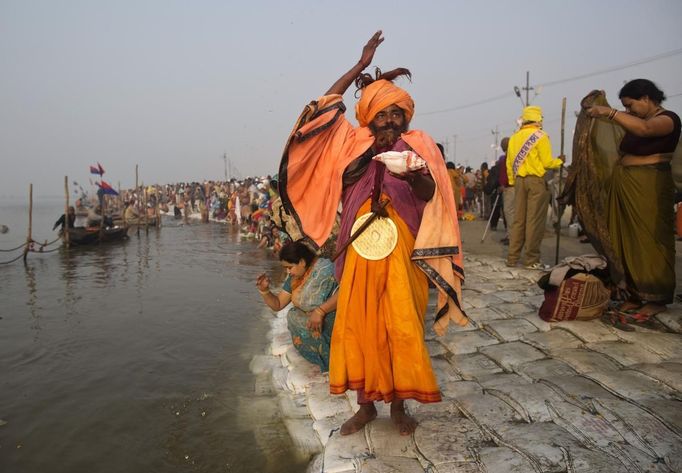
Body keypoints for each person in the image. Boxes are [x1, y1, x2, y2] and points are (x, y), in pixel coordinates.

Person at [278, 31, 467, 436]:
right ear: (368, 117)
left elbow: (430, 194)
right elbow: (322, 108)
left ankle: (399, 407)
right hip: (359, 251)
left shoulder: (420, 146)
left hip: (404, 252)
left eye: (397, 114)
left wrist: (415, 174)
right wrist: (360, 66)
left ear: (406, 117)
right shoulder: (350, 142)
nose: (390, 121)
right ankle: (365, 407)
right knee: (358, 327)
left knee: (401, 325)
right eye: (381, 114)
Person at [585, 79, 680, 319]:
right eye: (624, 107)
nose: (628, 111)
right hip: (626, 185)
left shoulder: (668, 119)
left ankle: (655, 297)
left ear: (646, 98)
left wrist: (611, 112)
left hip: (649, 186)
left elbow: (646, 130)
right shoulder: (635, 121)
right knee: (627, 240)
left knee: (649, 240)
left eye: (631, 105)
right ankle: (635, 295)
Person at [256, 241, 338, 372]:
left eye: (290, 267)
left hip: (334, 320)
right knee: (294, 315)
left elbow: (345, 292)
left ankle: (335, 359)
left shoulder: (326, 270)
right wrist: (264, 291)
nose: (288, 272)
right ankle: (323, 359)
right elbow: (278, 304)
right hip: (314, 323)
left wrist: (321, 311)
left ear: (302, 262)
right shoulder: (295, 278)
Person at [506, 106, 564, 269]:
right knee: (534, 221)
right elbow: (547, 163)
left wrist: (512, 180)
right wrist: (559, 161)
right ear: (538, 119)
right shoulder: (541, 136)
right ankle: (531, 260)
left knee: (518, 221)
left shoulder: (514, 137)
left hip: (519, 181)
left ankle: (512, 257)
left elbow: (509, 163)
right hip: (536, 181)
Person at [497, 137, 513, 244]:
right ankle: (510, 235)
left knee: (510, 213)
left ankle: (511, 237)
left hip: (509, 188)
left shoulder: (508, 157)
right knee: (510, 213)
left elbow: (505, 174)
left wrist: (503, 184)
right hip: (512, 187)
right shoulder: (511, 155)